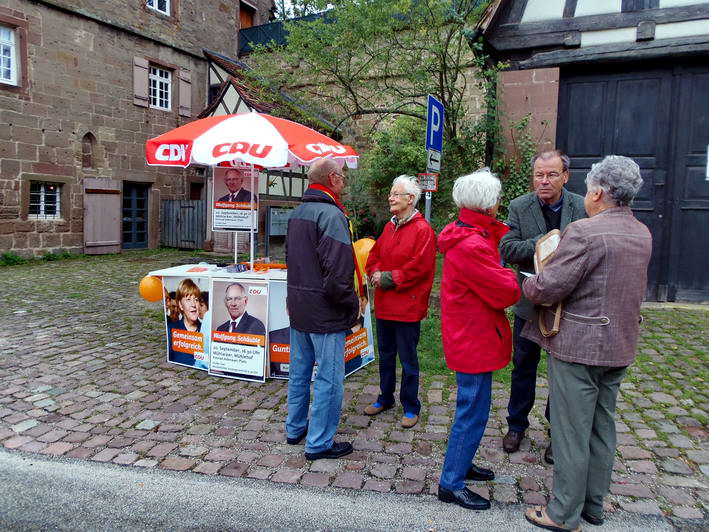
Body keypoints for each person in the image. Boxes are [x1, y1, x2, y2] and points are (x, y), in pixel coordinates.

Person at [522, 155, 652, 531]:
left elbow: (550, 287)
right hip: (620, 343)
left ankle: (563, 513)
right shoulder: (642, 231)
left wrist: (528, 284)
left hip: (580, 346)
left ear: (597, 191)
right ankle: (593, 504)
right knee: (601, 426)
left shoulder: (585, 231)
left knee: (571, 431)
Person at [437, 169, 520, 511]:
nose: (499, 204)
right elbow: (507, 291)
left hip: (472, 333)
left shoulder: (468, 234)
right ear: (488, 206)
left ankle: (462, 463)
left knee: (476, 408)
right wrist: (512, 275)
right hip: (472, 337)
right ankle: (450, 482)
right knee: (472, 410)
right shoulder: (472, 245)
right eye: (497, 199)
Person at [499, 149, 586, 463]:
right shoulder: (520, 206)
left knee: (561, 372)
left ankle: (556, 433)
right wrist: (546, 241)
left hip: (568, 305)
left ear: (565, 176)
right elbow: (508, 248)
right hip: (531, 303)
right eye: (539, 175)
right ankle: (516, 426)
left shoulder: (581, 205)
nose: (544, 181)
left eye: (551, 174)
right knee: (523, 366)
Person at [284, 158, 359, 461]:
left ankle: (295, 427)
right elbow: (339, 273)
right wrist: (351, 305)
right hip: (325, 311)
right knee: (328, 378)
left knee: (300, 373)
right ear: (332, 179)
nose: (344, 181)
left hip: (300, 306)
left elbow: (291, 260)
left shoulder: (297, 213)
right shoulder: (331, 215)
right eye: (342, 176)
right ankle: (319, 443)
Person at [363, 175, 436, 429]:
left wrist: (388, 278)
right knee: (385, 355)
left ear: (411, 199)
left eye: (396, 194)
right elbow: (374, 255)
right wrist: (374, 273)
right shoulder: (388, 226)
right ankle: (385, 398)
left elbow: (420, 268)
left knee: (407, 359)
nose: (390, 198)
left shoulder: (422, 230)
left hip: (407, 307)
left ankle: (410, 405)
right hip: (384, 305)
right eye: (391, 193)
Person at [167, 279, 203, 366]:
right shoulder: (171, 330)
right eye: (188, 299)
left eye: (196, 299)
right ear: (180, 305)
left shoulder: (206, 330)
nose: (193, 304)